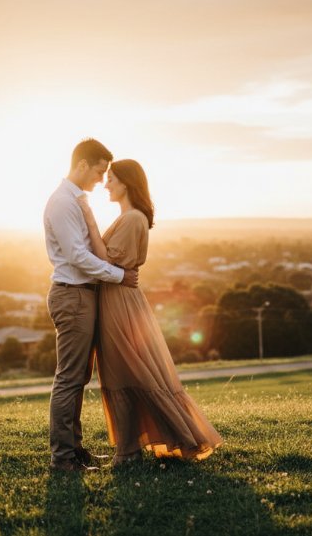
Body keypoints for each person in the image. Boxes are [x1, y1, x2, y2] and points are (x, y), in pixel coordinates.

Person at [77, 159, 222, 466]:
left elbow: (110, 262)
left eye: (112, 179)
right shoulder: (130, 217)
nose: (106, 184)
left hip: (120, 301)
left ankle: (134, 449)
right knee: (121, 371)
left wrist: (89, 223)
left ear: (127, 184)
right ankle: (128, 449)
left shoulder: (132, 219)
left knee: (129, 370)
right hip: (117, 297)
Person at [43, 138, 139, 472]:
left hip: (84, 294)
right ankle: (62, 458)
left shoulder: (76, 200)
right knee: (70, 378)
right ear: (82, 164)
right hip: (72, 294)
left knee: (78, 377)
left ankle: (74, 451)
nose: (101, 181)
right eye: (99, 172)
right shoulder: (62, 203)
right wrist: (118, 275)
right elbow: (78, 256)